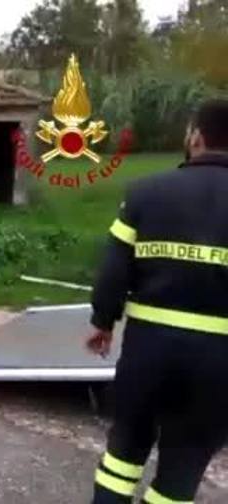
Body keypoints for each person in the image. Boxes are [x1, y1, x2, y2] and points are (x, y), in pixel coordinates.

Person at [87, 99, 228, 504]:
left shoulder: (145, 193)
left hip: (149, 350)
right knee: (183, 465)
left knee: (124, 451)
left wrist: (103, 321)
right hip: (219, 362)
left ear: (196, 137)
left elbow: (114, 270)